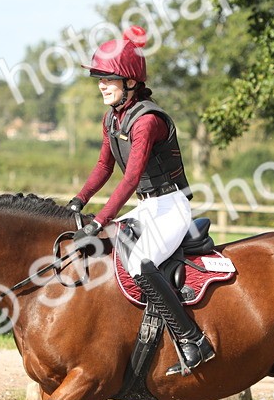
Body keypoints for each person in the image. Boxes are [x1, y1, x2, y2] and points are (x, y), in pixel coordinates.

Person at [67, 26, 215, 376]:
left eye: (108, 79)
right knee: (110, 255)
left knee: (139, 264)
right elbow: (105, 165)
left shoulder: (147, 120)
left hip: (171, 205)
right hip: (149, 206)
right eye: (99, 79)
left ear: (130, 81)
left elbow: (131, 178)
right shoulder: (113, 118)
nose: (101, 85)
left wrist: (100, 219)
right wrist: (78, 199)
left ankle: (193, 341)